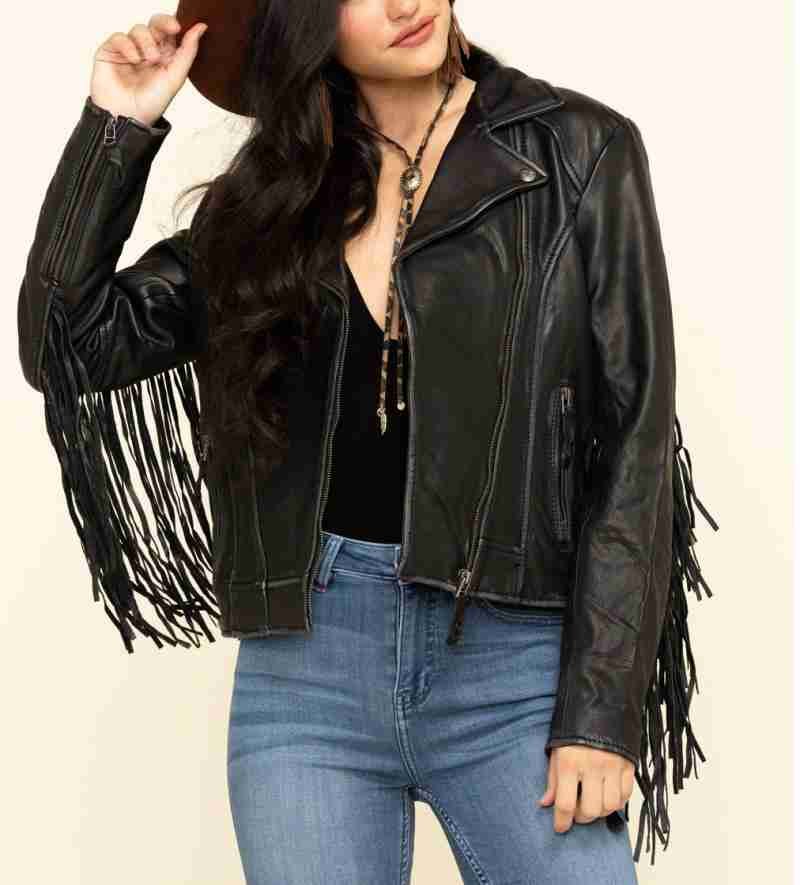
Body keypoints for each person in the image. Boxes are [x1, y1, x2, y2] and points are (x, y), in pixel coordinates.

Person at [17, 1, 718, 881]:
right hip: (310, 673)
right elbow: (65, 345)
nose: (404, 3)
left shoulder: (578, 150)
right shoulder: (268, 204)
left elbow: (635, 441)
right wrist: (116, 128)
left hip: (515, 663)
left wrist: (601, 714)